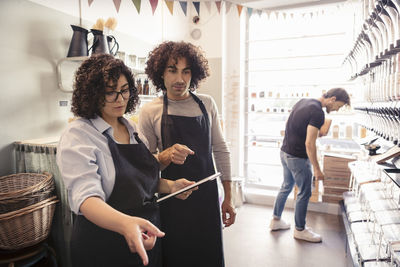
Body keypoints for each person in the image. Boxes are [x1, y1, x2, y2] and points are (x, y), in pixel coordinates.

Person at [56, 54, 197, 267]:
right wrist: (126, 224)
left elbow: (139, 178)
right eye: (110, 92)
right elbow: (87, 200)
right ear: (92, 94)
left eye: (124, 90)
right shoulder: (79, 135)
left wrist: (171, 186)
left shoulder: (130, 127)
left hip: (145, 237)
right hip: (103, 246)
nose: (120, 99)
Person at [138, 41, 236, 267]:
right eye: (172, 70)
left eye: (186, 71)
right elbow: (143, 167)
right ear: (160, 73)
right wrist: (165, 156)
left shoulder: (207, 104)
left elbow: (220, 149)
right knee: (176, 257)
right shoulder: (150, 111)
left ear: (195, 74)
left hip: (206, 197)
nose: (180, 79)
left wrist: (228, 197)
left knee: (208, 254)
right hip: (171, 199)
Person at [269, 88, 350, 242]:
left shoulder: (304, 102)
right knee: (304, 192)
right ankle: (300, 229)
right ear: (332, 99)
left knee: (286, 186)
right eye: (337, 106)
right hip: (298, 157)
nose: (336, 110)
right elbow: (309, 144)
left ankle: (276, 220)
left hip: (285, 152)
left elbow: (290, 124)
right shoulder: (318, 112)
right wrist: (317, 170)